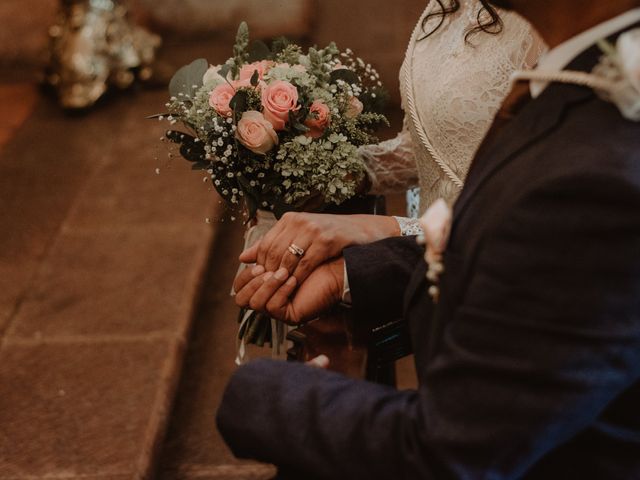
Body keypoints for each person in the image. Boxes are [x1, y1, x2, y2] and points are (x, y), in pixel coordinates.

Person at [218, 0, 640, 478]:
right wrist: (354, 272)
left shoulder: (604, 168)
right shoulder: (584, 72)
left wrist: (258, 393)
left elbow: (449, 454)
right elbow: (528, 248)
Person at [237, 0, 545, 286]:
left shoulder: (558, 30)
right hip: (427, 273)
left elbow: (542, 217)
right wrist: (337, 173)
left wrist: (392, 230)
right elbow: (437, 144)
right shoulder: (450, 5)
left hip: (497, 280)